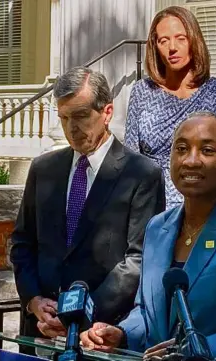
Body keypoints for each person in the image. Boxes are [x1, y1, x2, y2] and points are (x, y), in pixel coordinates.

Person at [80, 111, 216, 361]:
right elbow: (147, 312)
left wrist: (199, 351)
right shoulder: (157, 228)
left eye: (207, 150)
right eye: (181, 149)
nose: (191, 160)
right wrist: (123, 333)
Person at [10, 66, 166, 354]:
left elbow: (138, 259)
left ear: (106, 112)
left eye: (81, 115)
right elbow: (22, 243)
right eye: (64, 118)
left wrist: (79, 315)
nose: (72, 127)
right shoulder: (43, 169)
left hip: (101, 333)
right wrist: (32, 300)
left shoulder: (142, 174)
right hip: (40, 331)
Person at [124, 6, 216, 209]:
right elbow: (130, 161)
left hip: (203, 208)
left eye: (181, 38)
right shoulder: (142, 91)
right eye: (163, 40)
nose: (172, 47)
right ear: (155, 47)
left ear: (194, 40)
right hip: (150, 208)